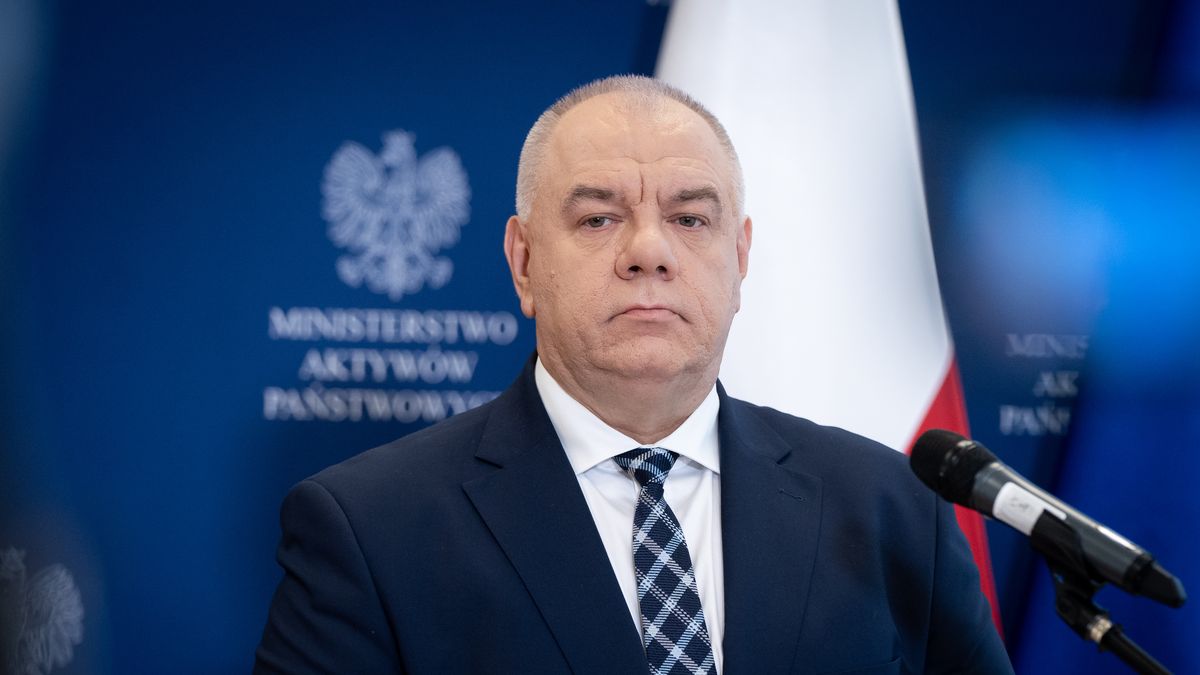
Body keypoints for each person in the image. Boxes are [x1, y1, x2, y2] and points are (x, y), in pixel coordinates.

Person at [255, 75, 1012, 674]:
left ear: (739, 260)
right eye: (598, 218)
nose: (649, 251)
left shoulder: (892, 508)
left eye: (690, 218)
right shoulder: (368, 527)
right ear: (524, 262)